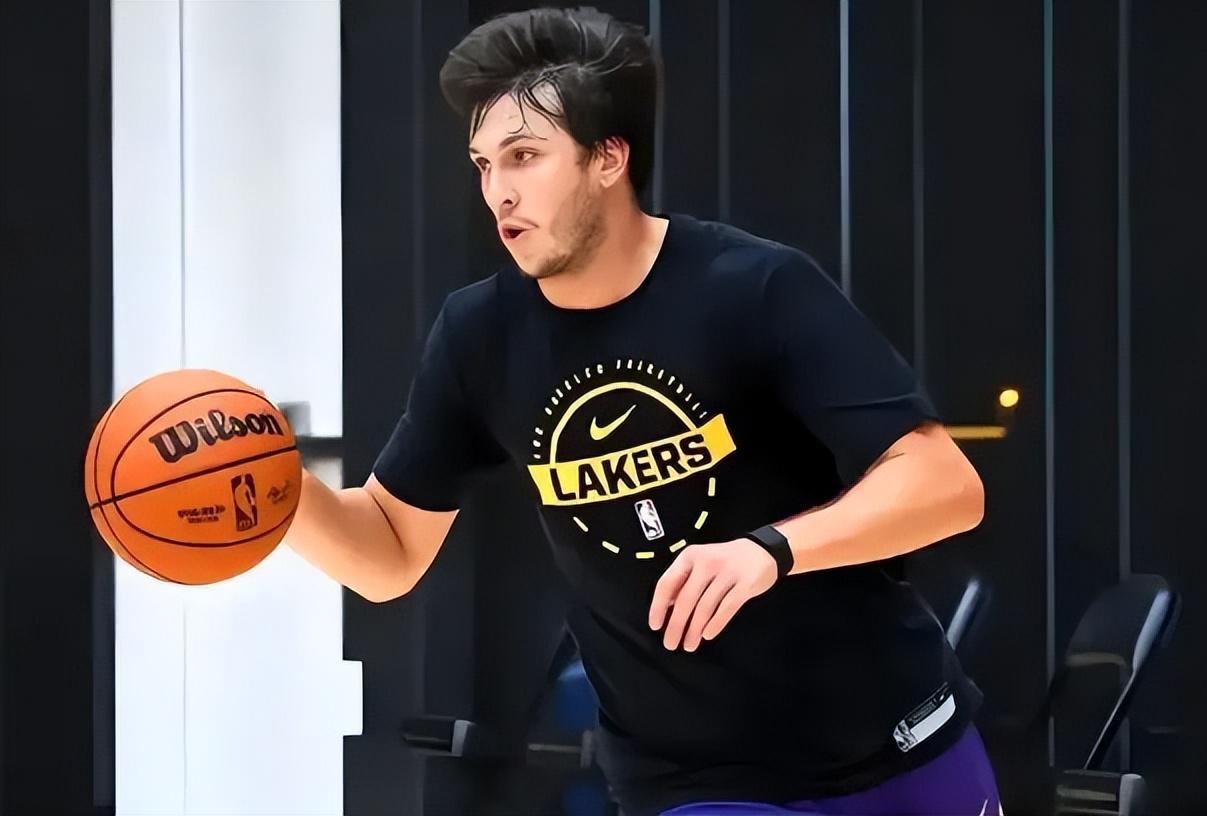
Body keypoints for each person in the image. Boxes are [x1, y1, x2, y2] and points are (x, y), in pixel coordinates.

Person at [286, 7, 1000, 815]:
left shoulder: (754, 287)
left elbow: (944, 484)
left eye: (525, 156)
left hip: (900, 738)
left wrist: (770, 550)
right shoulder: (479, 334)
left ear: (608, 157)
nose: (497, 191)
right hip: (696, 780)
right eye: (484, 164)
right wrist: (271, 488)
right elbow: (388, 549)